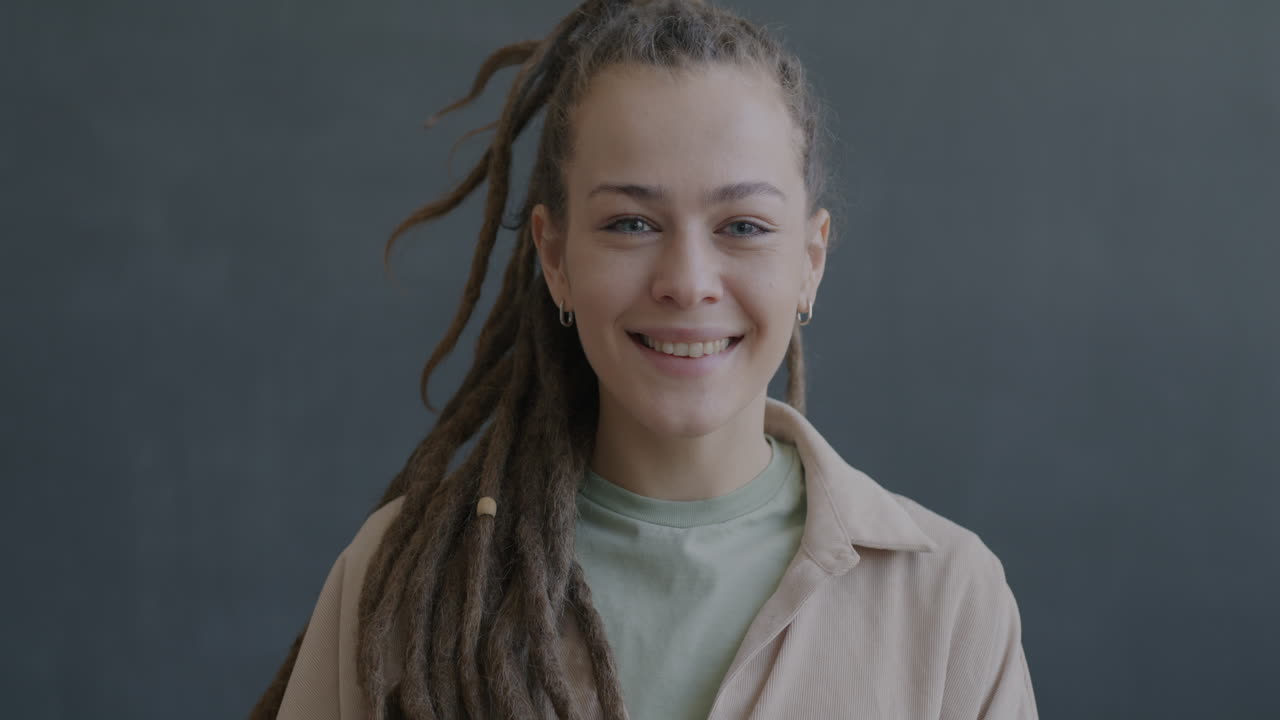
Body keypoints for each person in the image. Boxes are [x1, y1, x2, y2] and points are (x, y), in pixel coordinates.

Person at [250, 0, 1039, 718]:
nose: (687, 284)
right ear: (554, 258)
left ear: (812, 260)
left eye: (744, 226)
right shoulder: (401, 582)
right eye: (630, 224)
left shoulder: (949, 600)